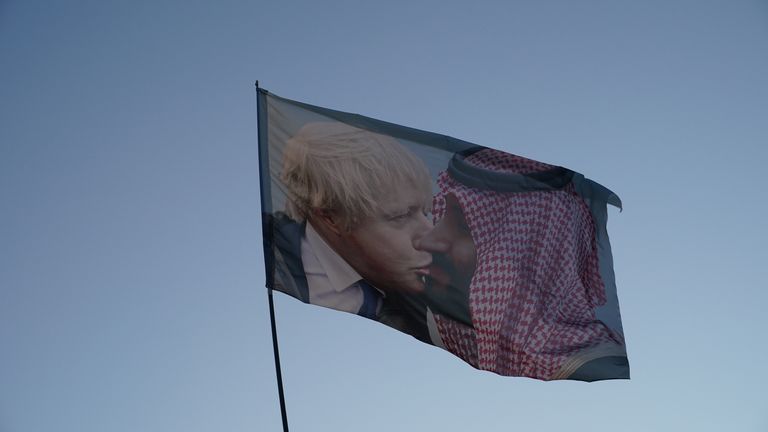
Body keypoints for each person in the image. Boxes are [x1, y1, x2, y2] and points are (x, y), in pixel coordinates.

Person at [415, 147, 629, 381]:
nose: (428, 241)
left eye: (464, 227)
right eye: (443, 214)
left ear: (536, 256)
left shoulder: (586, 357)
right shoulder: (450, 329)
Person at [268, 121, 434, 341]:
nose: (431, 235)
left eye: (426, 212)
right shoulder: (267, 265)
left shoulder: (432, 296)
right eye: (401, 215)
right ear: (331, 218)